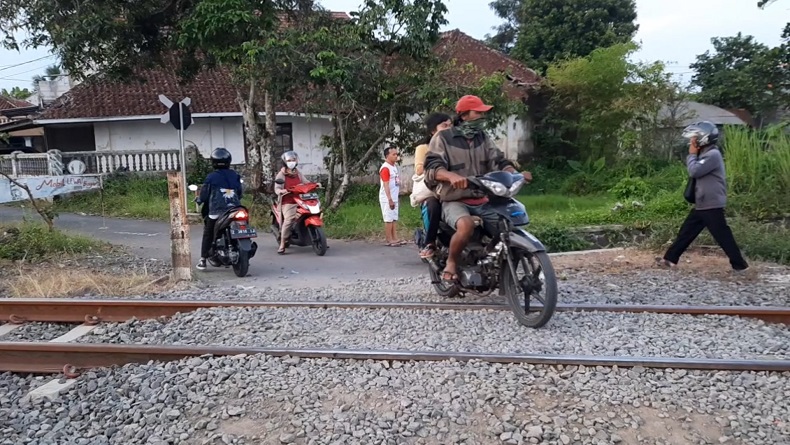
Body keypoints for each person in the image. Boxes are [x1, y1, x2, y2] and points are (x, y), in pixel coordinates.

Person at [424, 95, 532, 284]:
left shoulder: (482, 137)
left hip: (483, 198)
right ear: (464, 115)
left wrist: (515, 173)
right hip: (455, 199)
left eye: (484, 113)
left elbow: (498, 160)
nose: (483, 116)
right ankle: (451, 262)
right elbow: (432, 167)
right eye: (478, 112)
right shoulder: (443, 138)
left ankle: (496, 267)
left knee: (508, 226)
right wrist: (451, 176)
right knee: (465, 225)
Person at [656, 121, 750, 273]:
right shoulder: (706, 154)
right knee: (686, 232)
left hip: (711, 204)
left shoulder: (713, 155)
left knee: (723, 236)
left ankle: (740, 265)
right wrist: (695, 154)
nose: (691, 141)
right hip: (703, 203)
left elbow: (694, 171)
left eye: (694, 138)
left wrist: (692, 154)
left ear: (703, 138)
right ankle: (670, 259)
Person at [196, 147, 243, 270]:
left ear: (213, 162)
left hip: (217, 210)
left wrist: (199, 200)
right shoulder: (235, 175)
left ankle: (203, 260)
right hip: (235, 209)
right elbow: (239, 193)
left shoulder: (211, 177)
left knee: (208, 233)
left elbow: (204, 195)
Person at [413, 112, 452, 258]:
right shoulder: (424, 148)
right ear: (433, 130)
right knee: (433, 205)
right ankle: (430, 243)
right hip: (433, 189)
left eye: (450, 125)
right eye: (444, 126)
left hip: (453, 188)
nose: (448, 129)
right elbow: (419, 169)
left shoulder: (456, 145)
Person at [274, 150, 308, 255]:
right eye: (289, 160)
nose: (291, 162)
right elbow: (277, 188)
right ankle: (283, 243)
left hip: (300, 199)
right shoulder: (281, 174)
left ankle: (317, 237)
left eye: (293, 160)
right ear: (285, 162)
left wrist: (315, 184)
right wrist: (281, 191)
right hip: (287, 201)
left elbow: (306, 182)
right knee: (289, 220)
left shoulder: (298, 173)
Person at [379, 145, 404, 246]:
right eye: (393, 154)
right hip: (387, 198)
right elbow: (385, 184)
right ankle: (389, 239)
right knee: (388, 218)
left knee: (394, 218)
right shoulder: (385, 168)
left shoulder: (393, 167)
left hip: (394, 197)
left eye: (396, 154)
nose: (396, 156)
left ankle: (395, 238)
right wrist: (389, 199)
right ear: (387, 156)